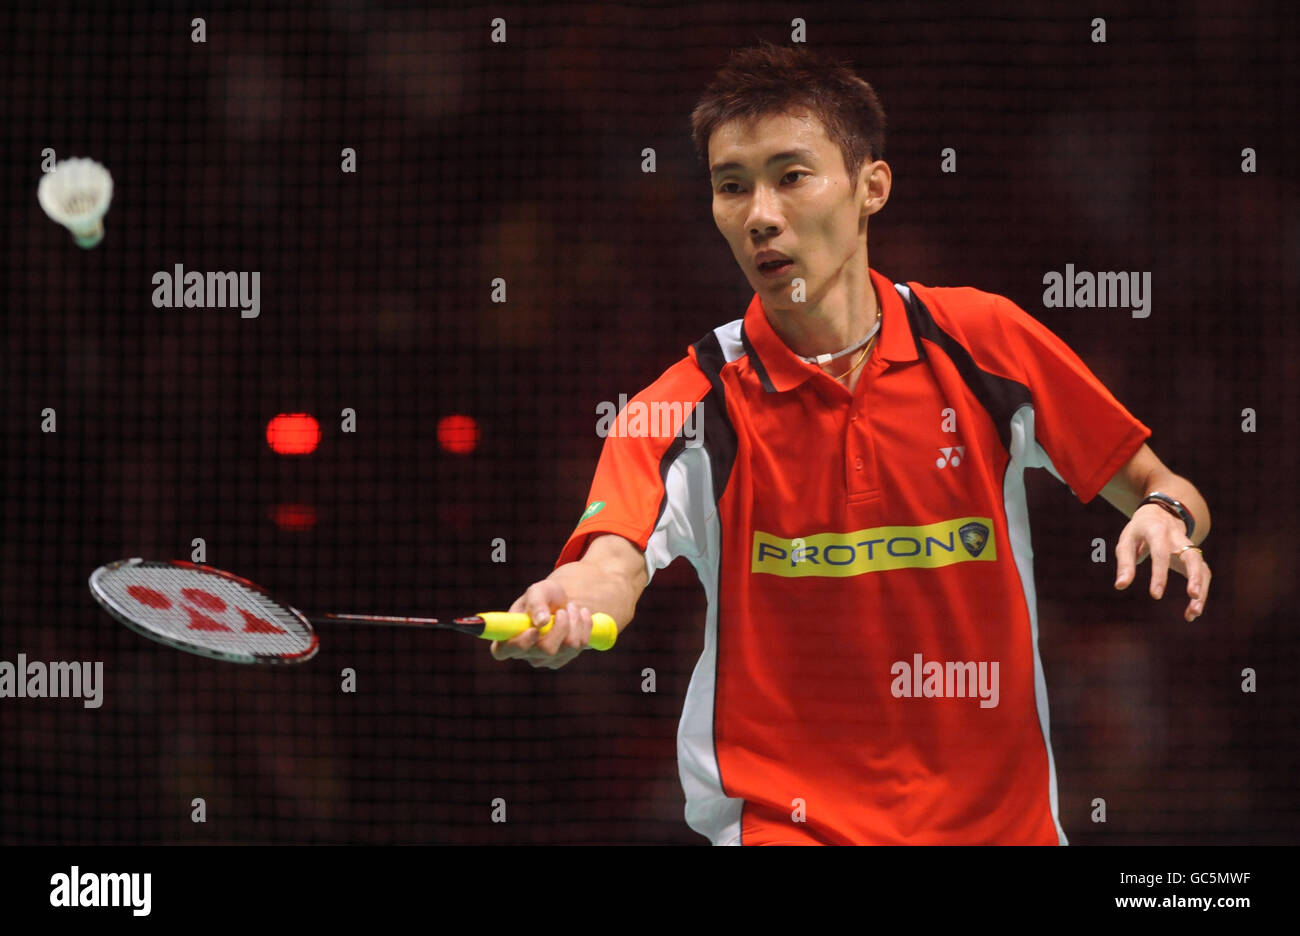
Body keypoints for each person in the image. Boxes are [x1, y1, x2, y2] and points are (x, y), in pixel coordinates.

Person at [491, 41, 1213, 845]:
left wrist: (1160, 513)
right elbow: (612, 562)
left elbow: (1164, 483)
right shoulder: (685, 407)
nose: (760, 212)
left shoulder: (982, 343)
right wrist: (572, 598)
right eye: (732, 186)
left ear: (873, 186)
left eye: (790, 176)